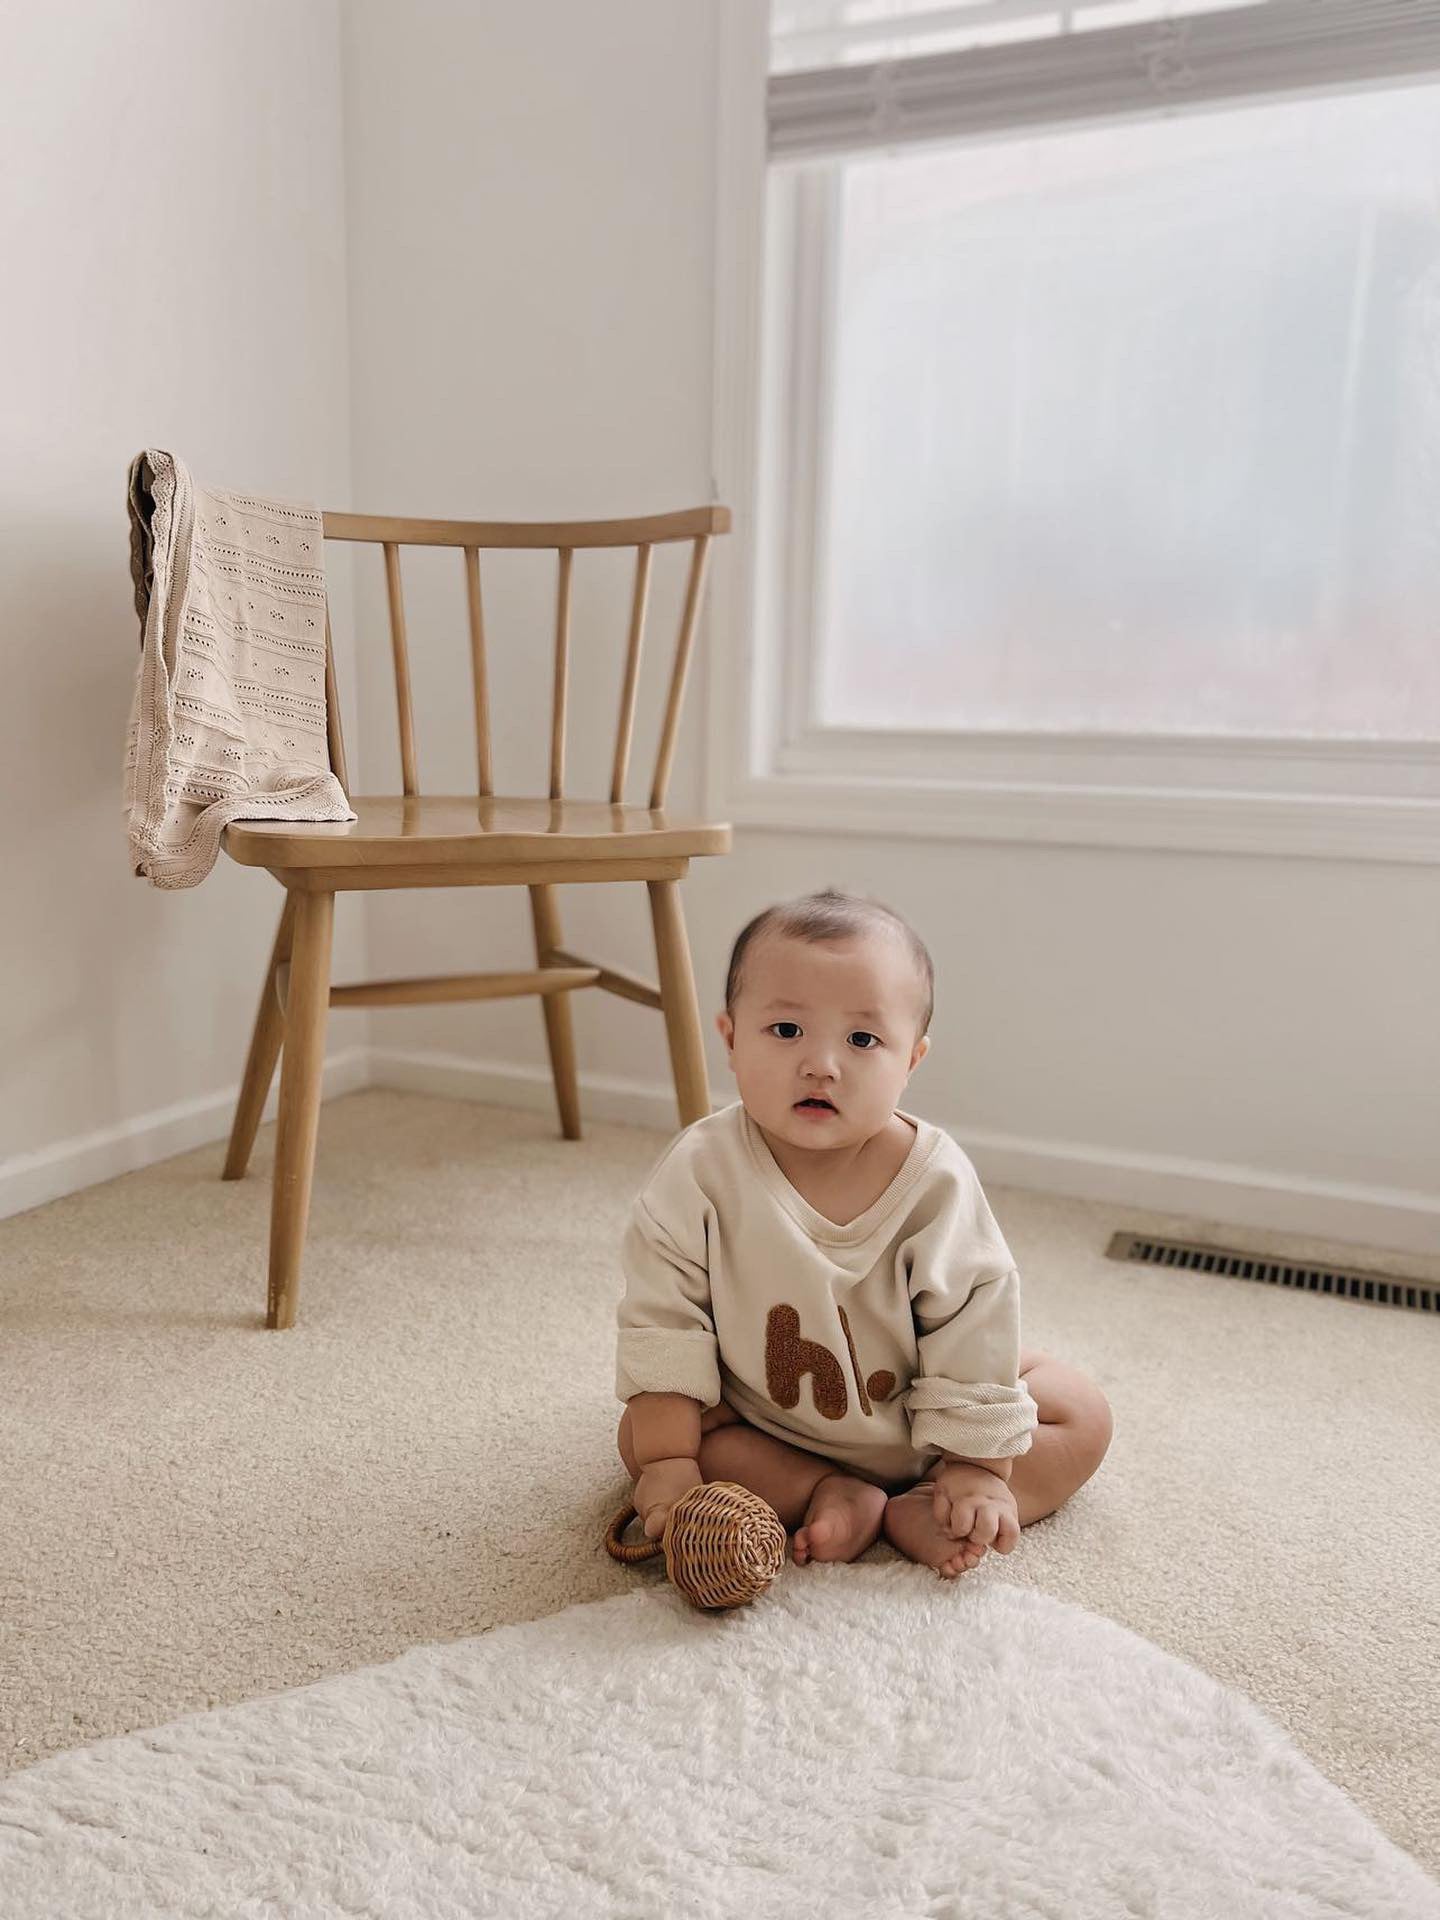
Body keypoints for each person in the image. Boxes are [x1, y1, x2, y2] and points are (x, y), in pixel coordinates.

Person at [615, 888, 1113, 1578]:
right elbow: (663, 1327)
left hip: (923, 1420)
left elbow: (977, 1323)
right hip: (771, 1423)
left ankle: (932, 1500)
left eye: (862, 1039)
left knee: (1082, 1414)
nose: (822, 1064)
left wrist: (976, 1467)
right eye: (786, 1031)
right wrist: (668, 1464)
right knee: (648, 1436)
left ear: (911, 1059)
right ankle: (830, 1489)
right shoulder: (699, 1171)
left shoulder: (934, 1182)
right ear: (730, 1039)